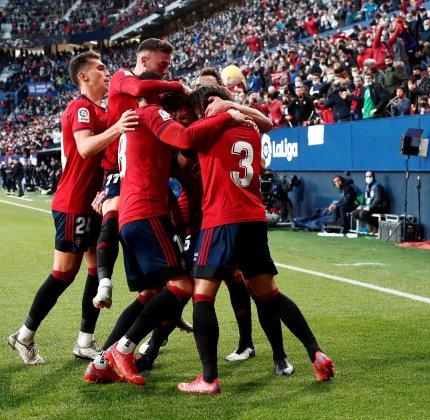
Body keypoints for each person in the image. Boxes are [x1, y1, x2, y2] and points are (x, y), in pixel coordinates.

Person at [84, 73, 255, 386]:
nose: (187, 120)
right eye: (184, 115)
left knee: (151, 294)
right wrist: (228, 116)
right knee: (183, 286)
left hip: (138, 215)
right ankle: (122, 350)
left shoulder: (140, 121)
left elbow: (178, 157)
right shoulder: (151, 113)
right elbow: (186, 140)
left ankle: (102, 360)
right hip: (148, 213)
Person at [176, 85, 334, 394]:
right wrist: (234, 109)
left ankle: (208, 379)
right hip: (253, 218)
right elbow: (265, 123)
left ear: (207, 106)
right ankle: (316, 351)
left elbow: (183, 147)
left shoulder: (207, 129)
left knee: (202, 297)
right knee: (270, 295)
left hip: (221, 220)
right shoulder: (250, 130)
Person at [7, 51, 138, 365]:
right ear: (84, 76)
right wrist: (119, 127)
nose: (106, 73)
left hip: (93, 203)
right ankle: (23, 336)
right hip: (73, 204)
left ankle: (84, 340)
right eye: (100, 68)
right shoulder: (81, 107)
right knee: (64, 273)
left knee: (96, 270)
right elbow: (85, 147)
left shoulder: (102, 111)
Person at [93, 38, 189, 311]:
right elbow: (139, 86)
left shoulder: (155, 95)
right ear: (145, 60)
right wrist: (179, 85)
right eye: (162, 64)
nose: (165, 72)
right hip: (117, 165)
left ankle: (168, 293)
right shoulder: (123, 77)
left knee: (174, 218)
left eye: (169, 68)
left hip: (142, 168)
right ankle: (105, 281)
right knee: (112, 213)